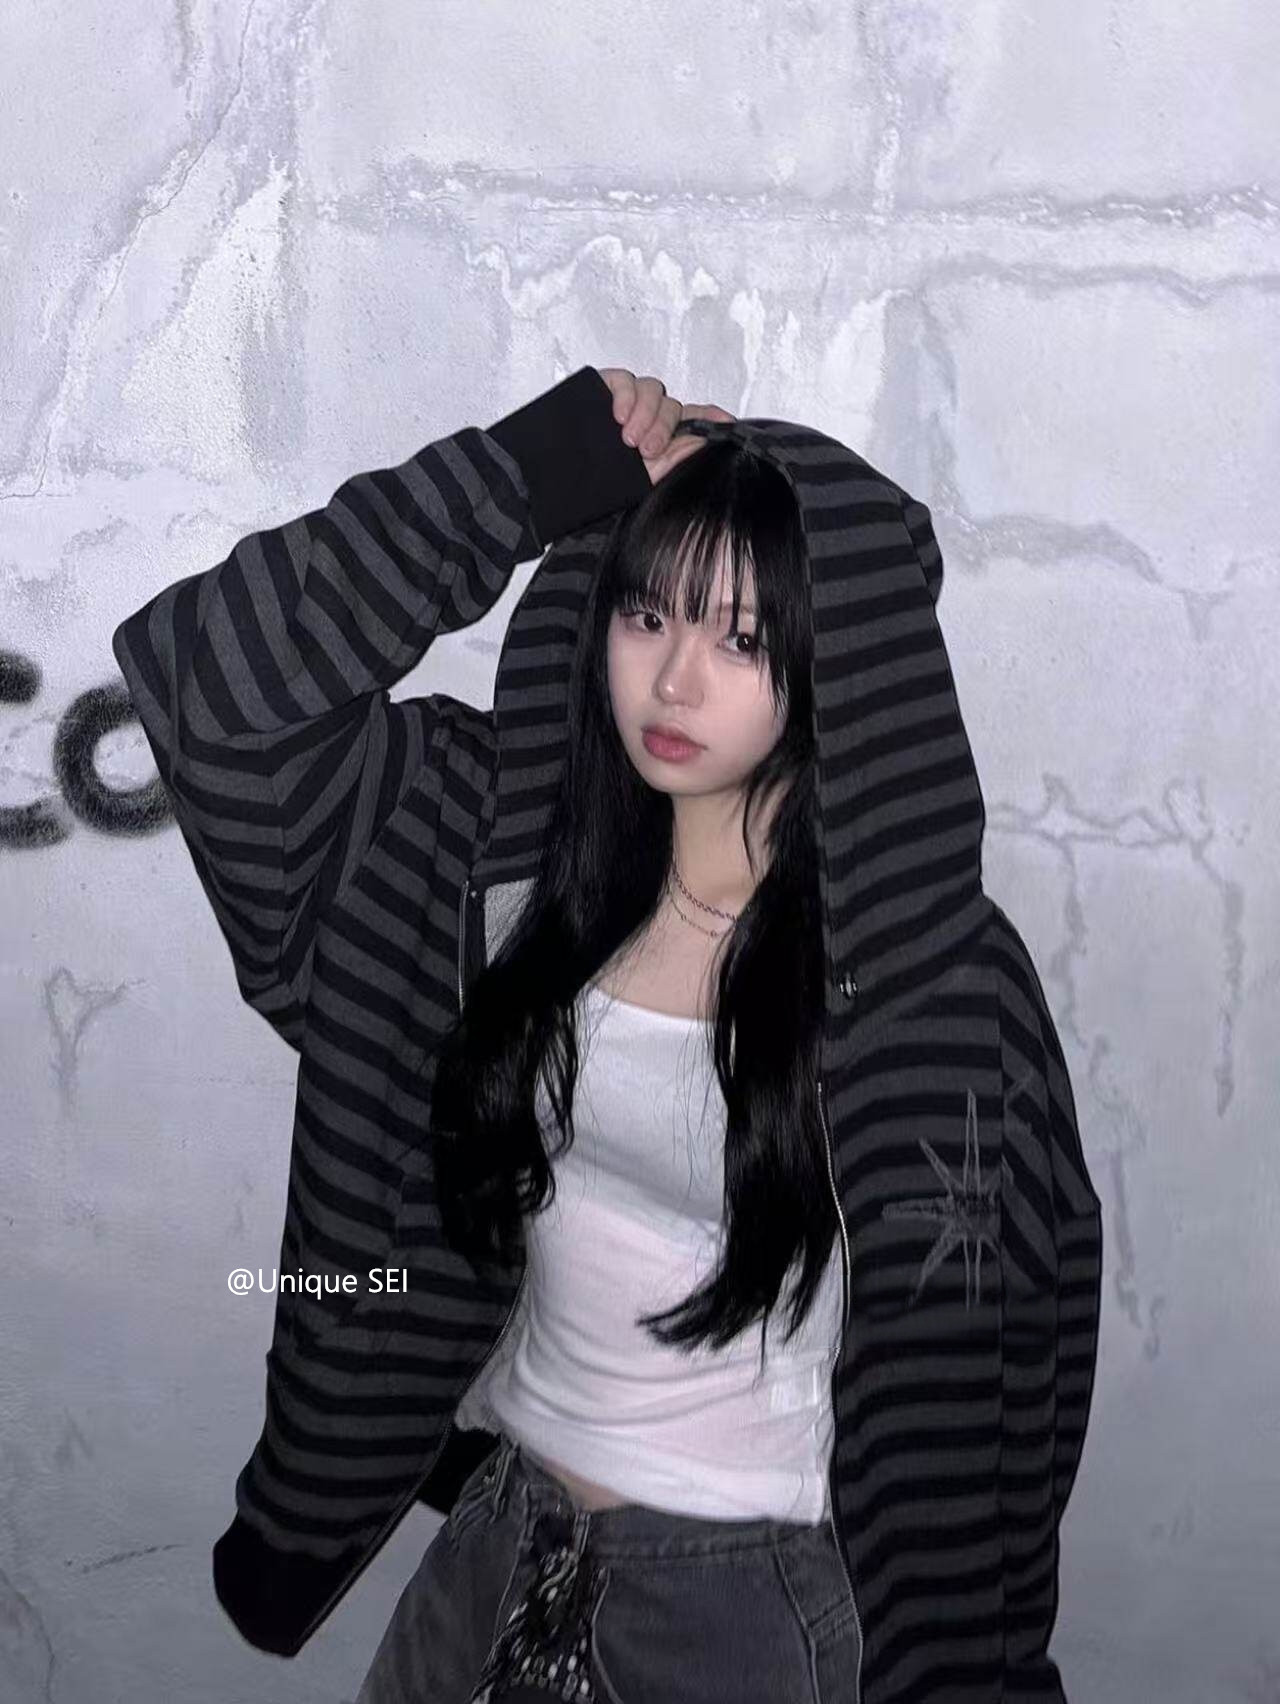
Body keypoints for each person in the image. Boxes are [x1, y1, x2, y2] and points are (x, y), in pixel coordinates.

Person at [111, 366, 1103, 1702]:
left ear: (837, 656)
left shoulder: (933, 980)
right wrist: (527, 476)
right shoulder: (484, 858)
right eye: (646, 614)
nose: (674, 679)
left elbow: (1010, 1366)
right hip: (495, 1549)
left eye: (740, 639)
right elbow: (214, 685)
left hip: (741, 1606)